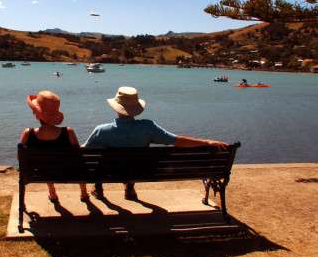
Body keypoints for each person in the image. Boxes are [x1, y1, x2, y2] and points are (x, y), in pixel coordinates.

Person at [83, 86, 228, 200]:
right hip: (139, 171)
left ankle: (99, 187)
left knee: (102, 158)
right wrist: (207, 142)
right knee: (134, 159)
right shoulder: (149, 127)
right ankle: (130, 187)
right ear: (136, 108)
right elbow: (177, 141)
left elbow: (83, 152)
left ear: (116, 107)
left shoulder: (101, 131)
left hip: (108, 173)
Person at [19, 90, 89, 202]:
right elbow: (78, 155)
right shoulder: (68, 132)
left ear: (37, 116)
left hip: (39, 173)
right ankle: (84, 193)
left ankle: (52, 193)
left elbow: (20, 157)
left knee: (46, 162)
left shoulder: (28, 134)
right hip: (67, 172)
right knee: (79, 161)